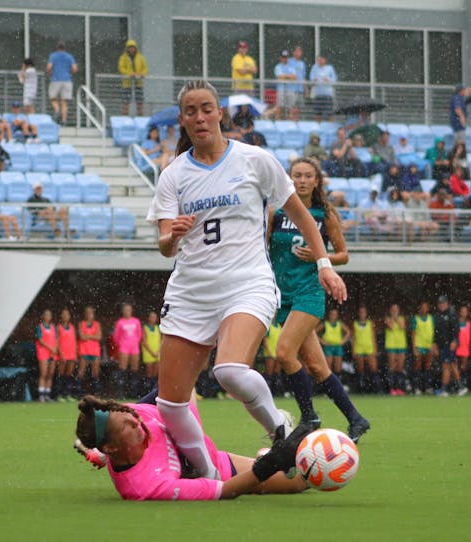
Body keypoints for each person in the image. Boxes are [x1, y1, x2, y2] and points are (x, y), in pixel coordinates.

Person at [146, 79, 346, 480]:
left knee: (229, 370)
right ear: (182, 121)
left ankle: (282, 430)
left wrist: (324, 263)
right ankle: (209, 477)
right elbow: (165, 246)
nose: (200, 117)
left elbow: (303, 215)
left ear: (220, 113)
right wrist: (174, 234)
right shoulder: (173, 175)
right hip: (191, 291)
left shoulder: (254, 160)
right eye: (190, 111)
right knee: (170, 404)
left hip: (247, 282)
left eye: (207, 108)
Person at [268, 158, 369, 440]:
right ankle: (356, 419)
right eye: (296, 175)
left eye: (307, 176)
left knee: (284, 352)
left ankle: (309, 416)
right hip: (283, 297)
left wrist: (320, 256)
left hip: (309, 293)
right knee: (316, 367)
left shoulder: (324, 214)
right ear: (289, 179)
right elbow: (262, 246)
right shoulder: (275, 211)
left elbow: (343, 255)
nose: (301, 180)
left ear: (316, 181)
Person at [73, 394, 311, 501]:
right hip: (220, 469)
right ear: (111, 447)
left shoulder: (130, 414)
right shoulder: (145, 485)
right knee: (300, 481)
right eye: (125, 425)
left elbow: (167, 391)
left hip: (189, 412)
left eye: (128, 414)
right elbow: (225, 490)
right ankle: (263, 457)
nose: (135, 420)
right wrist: (269, 464)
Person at [433, 295, 463, 397]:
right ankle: (459, 387)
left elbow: (456, 329)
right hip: (443, 345)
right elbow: (437, 333)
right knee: (451, 365)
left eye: (443, 303)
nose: (441, 305)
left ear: (447, 304)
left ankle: (445, 389)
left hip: (449, 345)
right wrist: (435, 344)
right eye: (440, 303)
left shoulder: (451, 314)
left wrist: (454, 341)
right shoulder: (438, 316)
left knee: (447, 365)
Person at [112, 302, 143, 398]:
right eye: (125, 310)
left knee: (134, 369)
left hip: (134, 347)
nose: (127, 312)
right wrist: (122, 343)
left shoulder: (136, 321)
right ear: (123, 311)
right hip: (124, 347)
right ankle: (121, 393)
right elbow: (116, 337)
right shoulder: (120, 322)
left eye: (129, 310)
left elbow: (139, 334)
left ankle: (133, 393)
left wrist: (134, 342)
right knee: (122, 368)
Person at [47, 41, 78, 125]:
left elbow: (49, 67)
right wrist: (68, 73)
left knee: (52, 98)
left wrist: (50, 74)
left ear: (57, 48)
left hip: (55, 79)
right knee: (64, 102)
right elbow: (75, 69)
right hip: (67, 80)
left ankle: (57, 110)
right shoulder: (69, 56)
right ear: (64, 48)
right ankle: (64, 120)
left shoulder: (53, 56)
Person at [352, 306, 379, 394]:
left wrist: (375, 349)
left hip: (369, 348)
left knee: (373, 368)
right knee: (360, 369)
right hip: (359, 349)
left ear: (366, 314)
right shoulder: (355, 324)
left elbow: (373, 337)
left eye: (364, 312)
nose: (362, 314)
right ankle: (361, 389)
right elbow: (354, 338)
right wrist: (353, 350)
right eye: (360, 312)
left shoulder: (370, 323)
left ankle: (374, 388)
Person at [77, 306, 103, 397]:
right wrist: (93, 336)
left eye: (91, 313)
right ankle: (79, 392)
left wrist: (88, 336)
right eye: (87, 313)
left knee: (95, 372)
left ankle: (95, 393)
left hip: (95, 351)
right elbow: (81, 336)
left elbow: (99, 337)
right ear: (85, 314)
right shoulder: (81, 324)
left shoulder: (97, 324)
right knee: (81, 372)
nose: (89, 315)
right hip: (84, 350)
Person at [118, 40, 148, 116]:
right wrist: (129, 74)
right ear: (127, 48)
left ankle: (140, 116)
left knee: (139, 101)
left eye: (133, 47)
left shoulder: (140, 57)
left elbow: (145, 69)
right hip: (127, 83)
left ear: (135, 48)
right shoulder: (123, 57)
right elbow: (121, 68)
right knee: (125, 101)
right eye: (130, 47)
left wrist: (140, 74)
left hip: (138, 83)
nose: (131, 49)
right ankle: (124, 117)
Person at [411, 301, 435, 395]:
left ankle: (428, 387)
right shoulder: (415, 319)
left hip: (428, 346)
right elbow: (413, 334)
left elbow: (433, 332)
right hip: (419, 346)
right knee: (417, 366)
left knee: (428, 366)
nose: (424, 309)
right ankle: (417, 387)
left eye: (426, 307)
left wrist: (433, 344)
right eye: (422, 307)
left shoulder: (431, 318)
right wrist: (414, 347)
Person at [318, 308, 350, 376]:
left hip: (338, 347)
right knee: (328, 367)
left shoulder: (340, 324)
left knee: (338, 368)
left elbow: (348, 332)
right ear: (329, 315)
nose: (333, 316)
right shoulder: (325, 324)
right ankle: (329, 384)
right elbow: (314, 332)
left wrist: (343, 341)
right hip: (328, 347)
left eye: (335, 314)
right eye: (332, 314)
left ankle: (338, 382)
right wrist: (322, 341)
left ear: (337, 316)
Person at [384, 304, 407, 396]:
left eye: (396, 309)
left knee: (400, 367)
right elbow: (391, 326)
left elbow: (402, 327)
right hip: (391, 345)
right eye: (393, 310)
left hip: (401, 345)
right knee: (392, 366)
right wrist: (393, 318)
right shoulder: (387, 319)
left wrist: (396, 318)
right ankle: (392, 388)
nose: (394, 311)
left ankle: (399, 388)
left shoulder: (401, 319)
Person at [35, 309, 58, 402]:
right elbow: (40, 340)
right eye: (46, 315)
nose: (48, 317)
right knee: (43, 373)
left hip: (52, 353)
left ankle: (47, 395)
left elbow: (56, 339)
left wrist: (54, 348)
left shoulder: (53, 327)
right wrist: (50, 348)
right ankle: (41, 395)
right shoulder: (39, 327)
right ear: (43, 316)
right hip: (43, 352)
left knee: (50, 374)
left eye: (49, 315)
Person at [56, 308, 78, 402]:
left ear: (69, 317)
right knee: (61, 374)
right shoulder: (58, 327)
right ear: (61, 316)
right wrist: (61, 354)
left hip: (71, 354)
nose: (65, 316)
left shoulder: (72, 327)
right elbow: (56, 342)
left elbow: (74, 341)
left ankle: (68, 394)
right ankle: (59, 395)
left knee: (69, 375)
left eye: (67, 314)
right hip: (62, 354)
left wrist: (75, 353)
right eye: (64, 314)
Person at [309, 55, 336, 122]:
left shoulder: (330, 68)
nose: (320, 61)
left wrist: (328, 80)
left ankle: (330, 127)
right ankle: (318, 128)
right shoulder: (314, 68)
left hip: (327, 95)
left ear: (325, 60)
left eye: (321, 59)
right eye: (319, 59)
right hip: (318, 95)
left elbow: (334, 80)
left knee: (330, 113)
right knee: (317, 114)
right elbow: (311, 79)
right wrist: (314, 80)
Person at [141, 311, 161, 394]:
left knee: (155, 372)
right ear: (148, 318)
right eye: (151, 317)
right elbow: (144, 341)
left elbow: (161, 340)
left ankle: (154, 390)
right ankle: (148, 390)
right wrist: (151, 351)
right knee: (149, 371)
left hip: (157, 352)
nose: (153, 319)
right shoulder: (145, 328)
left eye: (154, 317)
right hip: (148, 352)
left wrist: (158, 351)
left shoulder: (158, 328)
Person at [273, 51, 297, 120]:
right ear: (280, 58)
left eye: (286, 57)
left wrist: (285, 76)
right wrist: (289, 76)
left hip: (290, 89)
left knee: (290, 108)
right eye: (283, 57)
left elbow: (294, 77)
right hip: (281, 89)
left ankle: (289, 124)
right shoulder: (278, 67)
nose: (285, 59)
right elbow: (280, 77)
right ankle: (277, 123)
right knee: (279, 107)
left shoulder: (291, 66)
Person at [262, 318, 282, 396]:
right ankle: (267, 392)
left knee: (277, 372)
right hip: (269, 353)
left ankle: (276, 392)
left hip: (278, 352)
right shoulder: (269, 326)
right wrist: (269, 351)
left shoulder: (279, 326)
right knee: (269, 373)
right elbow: (265, 340)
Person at [455, 305, 471, 390]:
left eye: (465, 311)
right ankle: (456, 385)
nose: (464, 313)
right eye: (462, 311)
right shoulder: (456, 323)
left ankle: (463, 384)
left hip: (465, 348)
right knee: (455, 367)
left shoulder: (469, 324)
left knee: (463, 367)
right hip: (457, 348)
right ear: (460, 312)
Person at [288, 46, 307, 122]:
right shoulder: (289, 61)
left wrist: (306, 89)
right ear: (294, 52)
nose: (299, 53)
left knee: (298, 109)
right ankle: (290, 123)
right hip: (291, 89)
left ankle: (296, 123)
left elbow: (303, 77)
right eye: (297, 51)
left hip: (300, 89)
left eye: (300, 51)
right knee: (291, 108)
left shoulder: (302, 63)